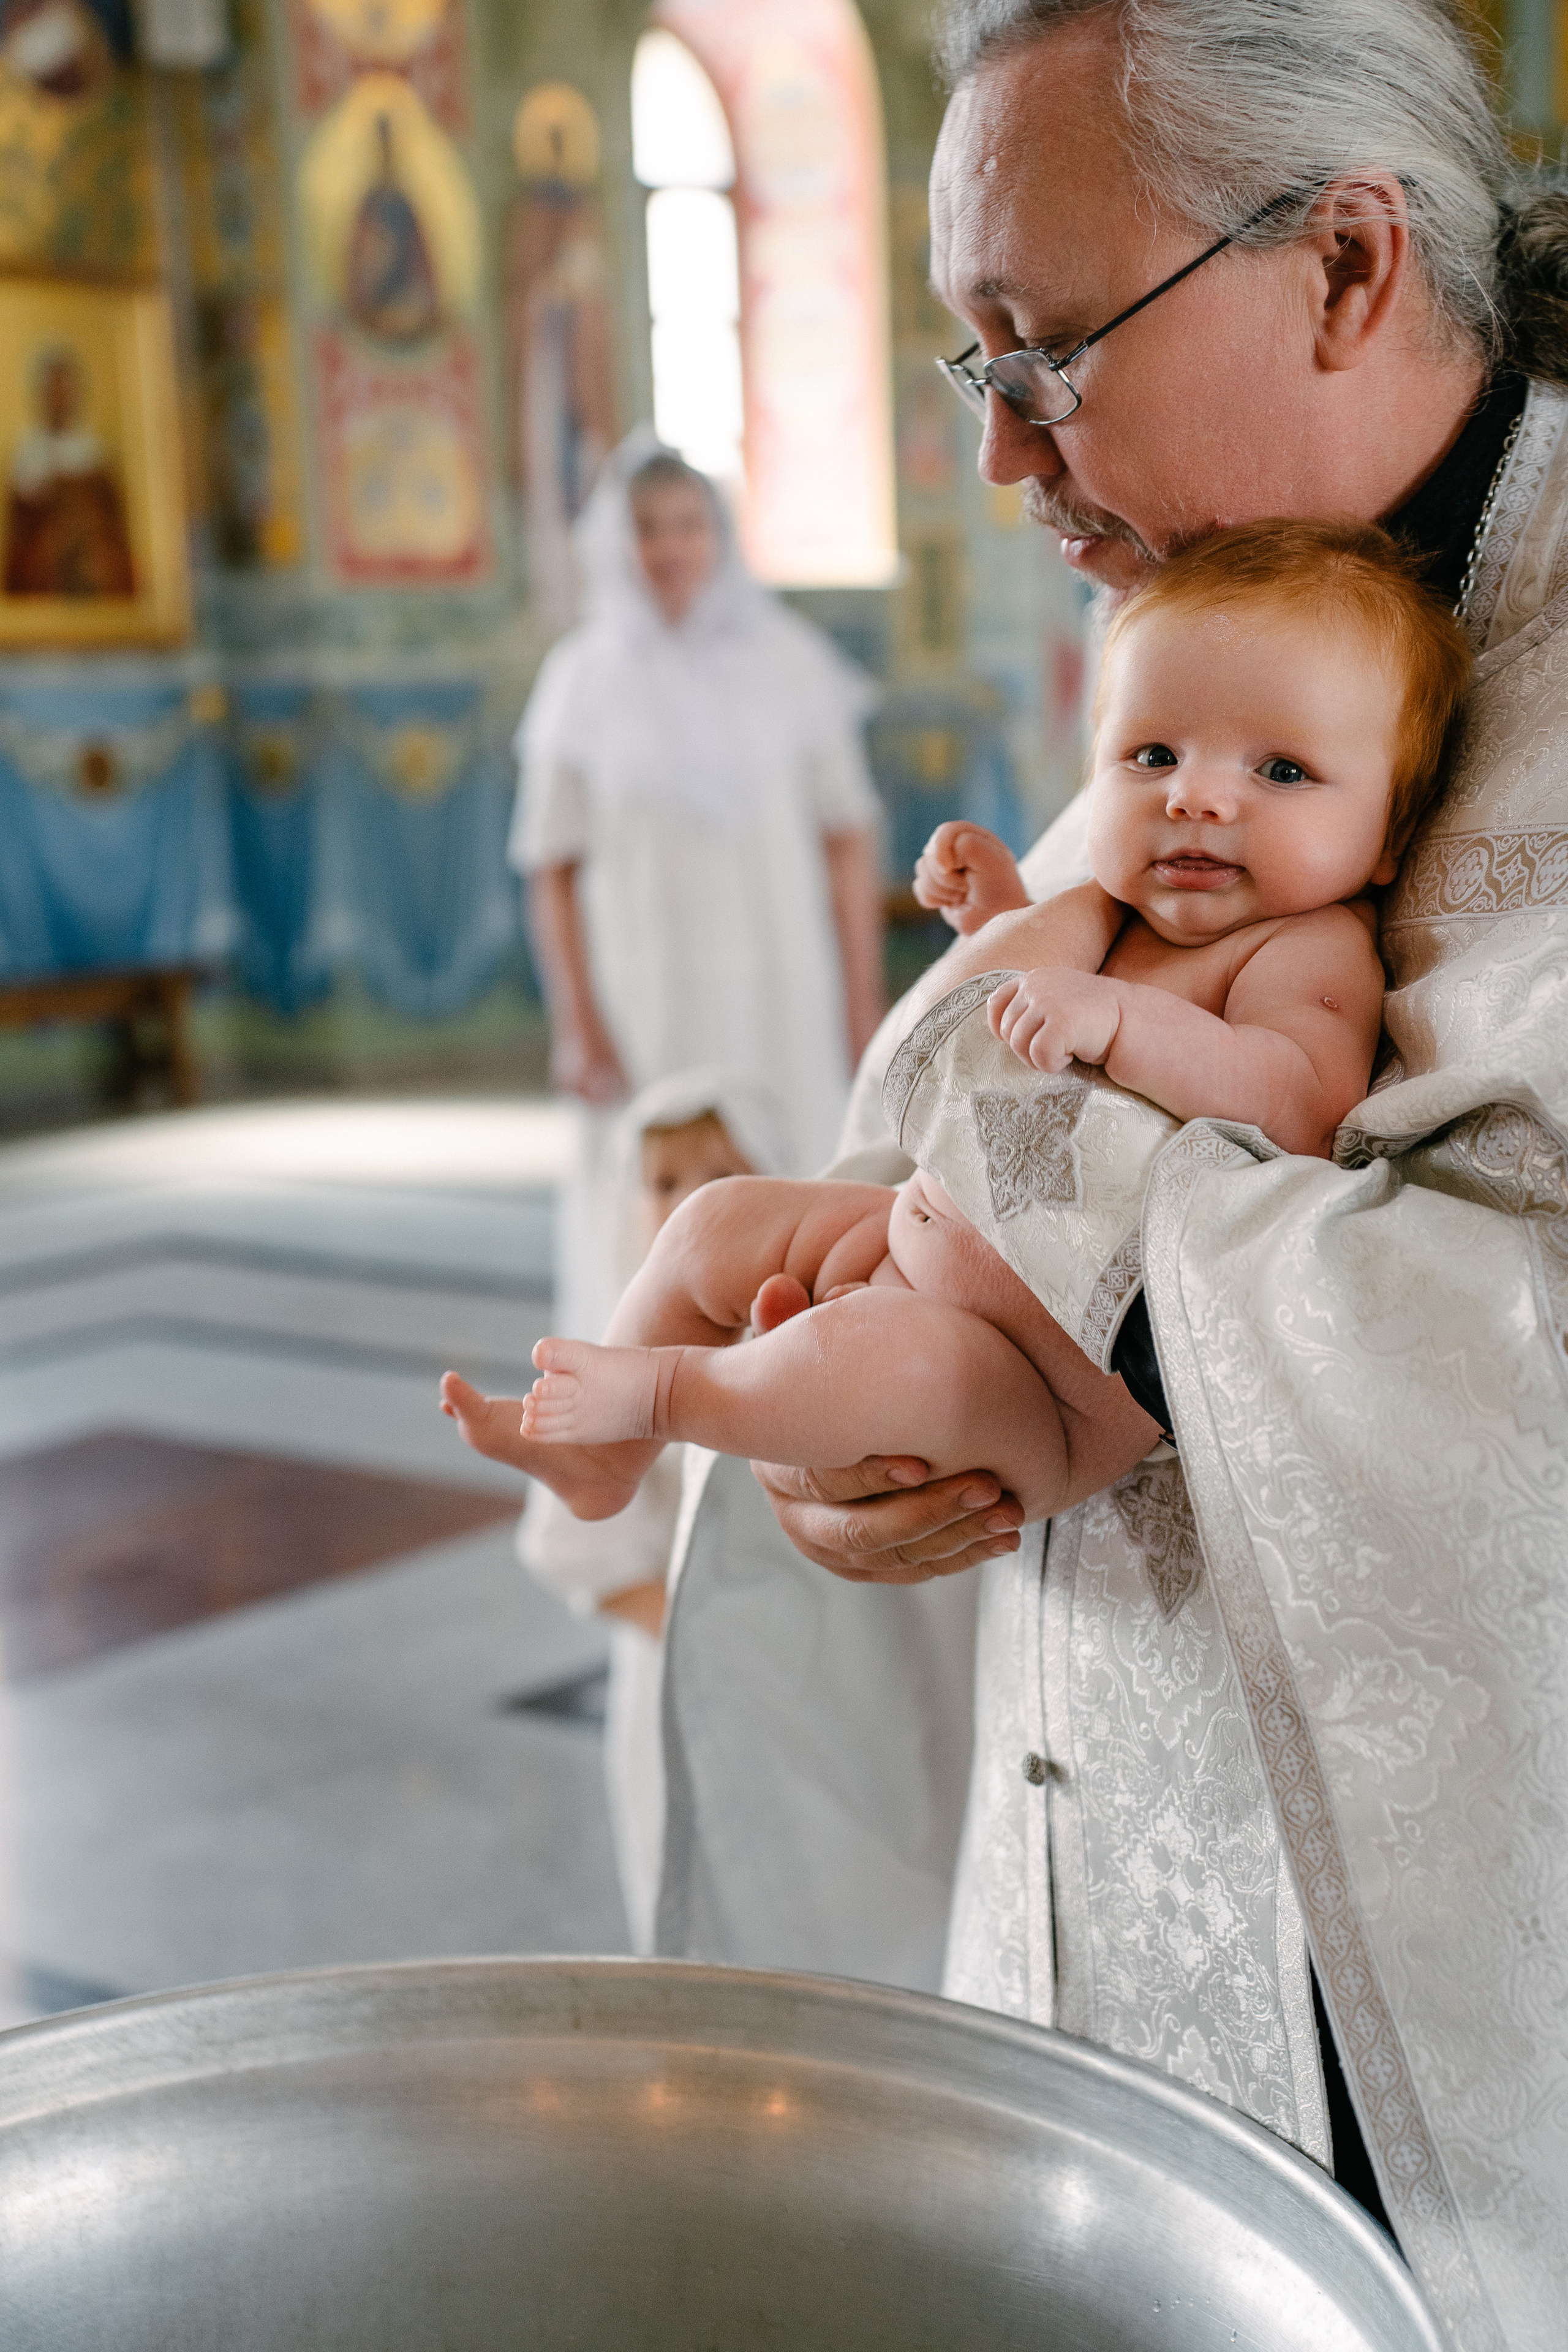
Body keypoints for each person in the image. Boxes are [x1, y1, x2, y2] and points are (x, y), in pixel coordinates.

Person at [661, 4, 1568, 2342]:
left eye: (1044, 356)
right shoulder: (1230, 635)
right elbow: (964, 1110)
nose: (998, 460)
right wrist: (852, 1394)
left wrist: (1013, 1310)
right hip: (1116, 1916)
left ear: (1349, 267)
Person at [449, 518, 1468, 1527]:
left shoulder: (1308, 946)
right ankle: (602, 1457)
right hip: (917, 1233)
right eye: (1153, 755)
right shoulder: (1121, 914)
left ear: (1389, 838)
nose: (1196, 797)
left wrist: (1118, 1020)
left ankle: (666, 1396)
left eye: (1281, 771)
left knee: (883, 1362)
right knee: (710, 1224)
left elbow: (1298, 1098)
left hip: (1044, 1380)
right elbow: (1014, 1039)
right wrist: (1004, 920)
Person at [511, 428, 886, 1344]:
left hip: (781, 981)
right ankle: (643, 1408)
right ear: (612, 542)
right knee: (646, 1199)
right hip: (646, 989)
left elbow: (847, 840)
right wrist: (576, 1022)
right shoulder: (577, 679)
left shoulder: (793, 662)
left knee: (794, 1172)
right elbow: (549, 869)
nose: (670, 548)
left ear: (719, 535)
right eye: (647, 527)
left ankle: (802, 1398)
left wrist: (863, 998)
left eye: (688, 524)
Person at [513, 1066, 786, 1953]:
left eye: (719, 1174)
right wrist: (710, 1644)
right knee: (710, 1901)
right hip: (692, 1680)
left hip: (801, 1669)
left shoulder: (807, 1332)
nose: (694, 1204)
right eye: (667, 1183)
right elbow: (579, 1550)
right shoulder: (619, 1351)